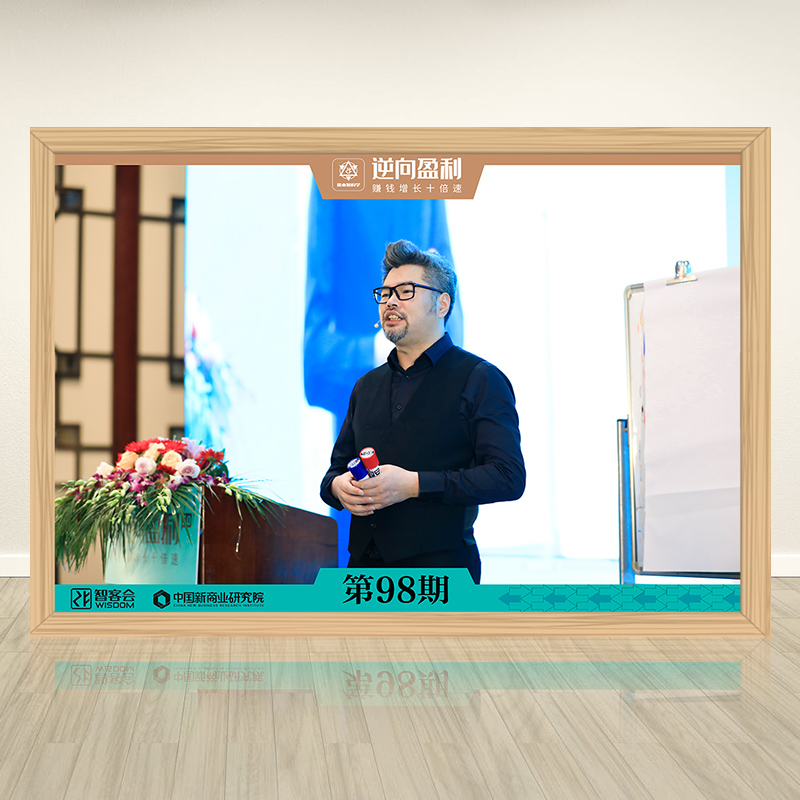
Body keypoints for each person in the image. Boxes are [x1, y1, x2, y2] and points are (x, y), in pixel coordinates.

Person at [320, 240, 525, 584]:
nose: (390, 302)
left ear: (442, 303)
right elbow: (333, 475)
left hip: (441, 576)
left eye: (405, 291)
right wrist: (339, 487)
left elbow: (507, 476)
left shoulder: (480, 378)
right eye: (385, 294)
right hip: (363, 576)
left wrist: (414, 485)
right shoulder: (366, 385)